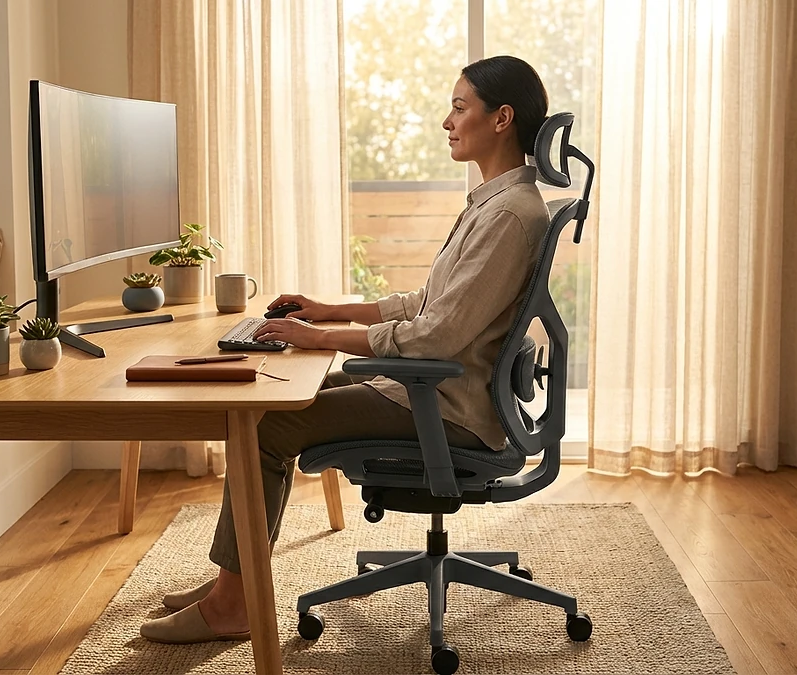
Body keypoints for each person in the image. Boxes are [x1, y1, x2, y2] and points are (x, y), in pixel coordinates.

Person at [140, 54, 551, 644]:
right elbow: (429, 304)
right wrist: (332, 311)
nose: (447, 121)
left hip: (449, 409)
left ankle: (233, 606)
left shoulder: (509, 215)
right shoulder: (495, 203)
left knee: (263, 428)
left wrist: (319, 338)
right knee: (262, 402)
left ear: (501, 118)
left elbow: (435, 335)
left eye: (460, 108)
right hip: (439, 391)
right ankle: (233, 585)